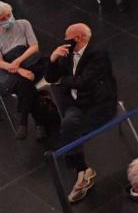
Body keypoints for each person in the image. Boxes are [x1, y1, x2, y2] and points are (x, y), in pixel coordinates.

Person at [45, 23, 114, 203]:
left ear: (77, 38)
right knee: (69, 125)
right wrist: (53, 59)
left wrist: (64, 81)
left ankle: (81, 173)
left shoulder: (98, 53)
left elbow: (84, 82)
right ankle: (82, 171)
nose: (64, 40)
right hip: (78, 104)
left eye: (67, 36)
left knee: (70, 130)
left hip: (99, 104)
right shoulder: (67, 54)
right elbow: (51, 78)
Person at [0, 2, 55, 141]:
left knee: (23, 83)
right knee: (24, 83)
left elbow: (34, 47)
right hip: (13, 69)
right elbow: (0, 62)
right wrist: (19, 70)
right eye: (3, 18)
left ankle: (24, 120)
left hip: (29, 60)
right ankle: (39, 123)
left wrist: (18, 62)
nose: (8, 19)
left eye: (9, 15)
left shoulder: (24, 23)